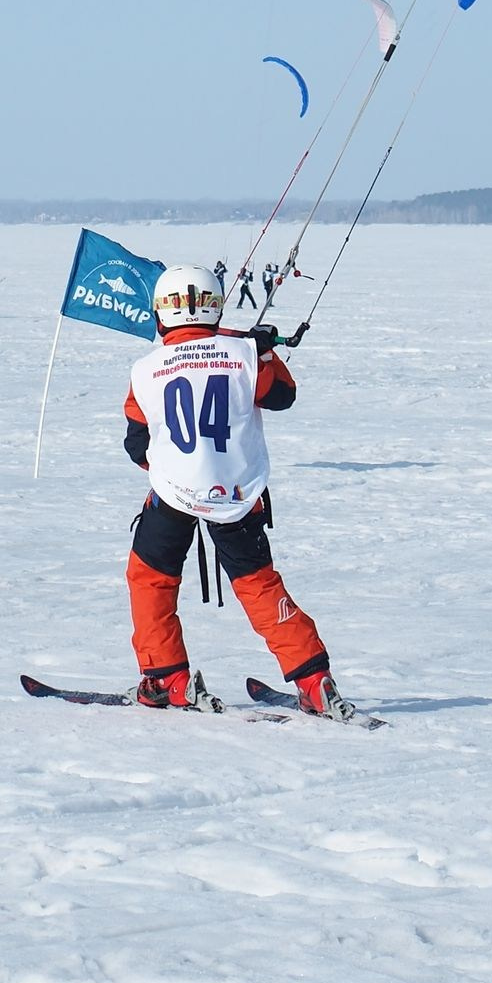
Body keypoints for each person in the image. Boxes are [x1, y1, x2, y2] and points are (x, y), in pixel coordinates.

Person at [116, 264, 351, 718]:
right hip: (237, 495)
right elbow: (283, 395)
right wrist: (261, 351)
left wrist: (169, 470)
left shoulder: (146, 369)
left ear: (161, 313)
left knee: (150, 580)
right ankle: (313, 680)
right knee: (258, 584)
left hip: (172, 495)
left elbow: (136, 442)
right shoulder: (243, 353)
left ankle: (167, 678)